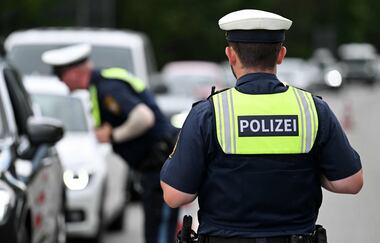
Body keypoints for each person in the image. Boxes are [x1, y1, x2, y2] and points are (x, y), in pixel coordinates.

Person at [160, 9, 363, 243]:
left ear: (231, 55)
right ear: (281, 55)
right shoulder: (313, 110)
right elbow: (351, 181)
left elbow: (175, 196)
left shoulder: (209, 114)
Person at [42, 44, 179, 243]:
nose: (60, 81)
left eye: (60, 75)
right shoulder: (101, 87)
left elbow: (144, 117)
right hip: (155, 169)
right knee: (155, 231)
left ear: (74, 72)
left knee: (159, 234)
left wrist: (114, 135)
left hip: (159, 169)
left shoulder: (108, 89)